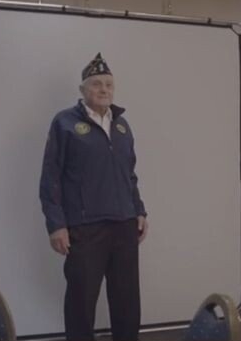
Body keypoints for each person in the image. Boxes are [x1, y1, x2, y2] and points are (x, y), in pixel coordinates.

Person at [40, 53, 148, 341]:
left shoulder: (122, 126)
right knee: (81, 300)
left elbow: (129, 174)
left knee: (127, 300)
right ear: (83, 90)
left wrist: (139, 210)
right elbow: (50, 178)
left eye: (109, 85)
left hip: (124, 224)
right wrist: (56, 224)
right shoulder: (64, 123)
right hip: (85, 227)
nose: (104, 90)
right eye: (97, 84)